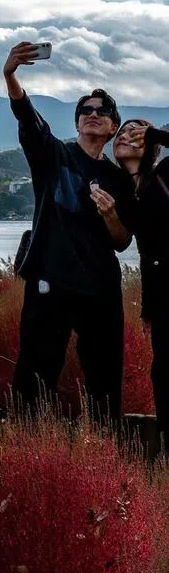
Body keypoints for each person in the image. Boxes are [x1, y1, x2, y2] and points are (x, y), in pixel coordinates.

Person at [3, 42, 135, 424]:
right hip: (50, 282)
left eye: (102, 111)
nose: (93, 114)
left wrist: (110, 215)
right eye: (85, 111)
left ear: (113, 127)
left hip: (100, 289)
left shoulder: (118, 179)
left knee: (104, 381)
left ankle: (104, 450)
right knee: (34, 376)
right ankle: (25, 447)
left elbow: (122, 241)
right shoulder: (53, 156)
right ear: (77, 123)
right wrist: (10, 75)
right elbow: (29, 120)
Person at [113, 118, 169, 449]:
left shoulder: (165, 174)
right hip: (161, 296)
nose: (126, 135)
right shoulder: (124, 192)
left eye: (135, 131)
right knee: (161, 374)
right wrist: (147, 308)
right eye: (122, 131)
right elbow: (146, 253)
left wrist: (156, 133)